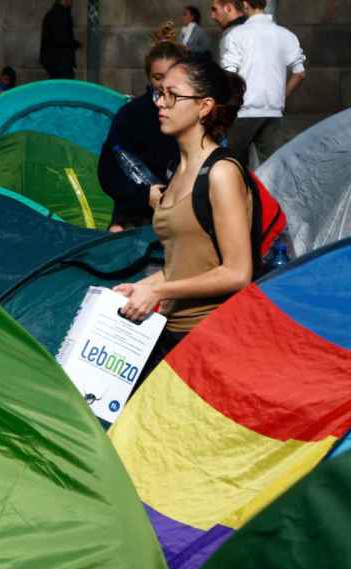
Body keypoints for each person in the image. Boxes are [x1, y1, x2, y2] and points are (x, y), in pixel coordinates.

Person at [115, 57, 253, 385]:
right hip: (170, 334)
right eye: (159, 93)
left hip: (210, 341)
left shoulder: (221, 173)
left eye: (172, 95)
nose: (160, 103)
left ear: (204, 106)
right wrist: (142, 287)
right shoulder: (177, 170)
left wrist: (161, 289)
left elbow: (237, 272)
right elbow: (186, 261)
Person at [99, 41, 188, 231]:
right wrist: (145, 195)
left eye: (171, 77)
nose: (164, 85)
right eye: (158, 77)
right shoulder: (131, 114)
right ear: (148, 77)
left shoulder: (192, 112)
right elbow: (108, 172)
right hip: (136, 217)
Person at [221, 0, 306, 168]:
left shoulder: (237, 34)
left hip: (243, 111)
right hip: (273, 111)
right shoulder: (285, 34)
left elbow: (229, 73)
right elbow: (300, 73)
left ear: (245, 4)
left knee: (233, 166)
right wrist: (282, 95)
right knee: (271, 170)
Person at [40, 0, 80, 79]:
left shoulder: (52, 14)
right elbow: (61, 38)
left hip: (53, 61)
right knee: (65, 87)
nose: (72, 2)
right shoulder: (62, 15)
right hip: (61, 61)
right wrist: (75, 44)